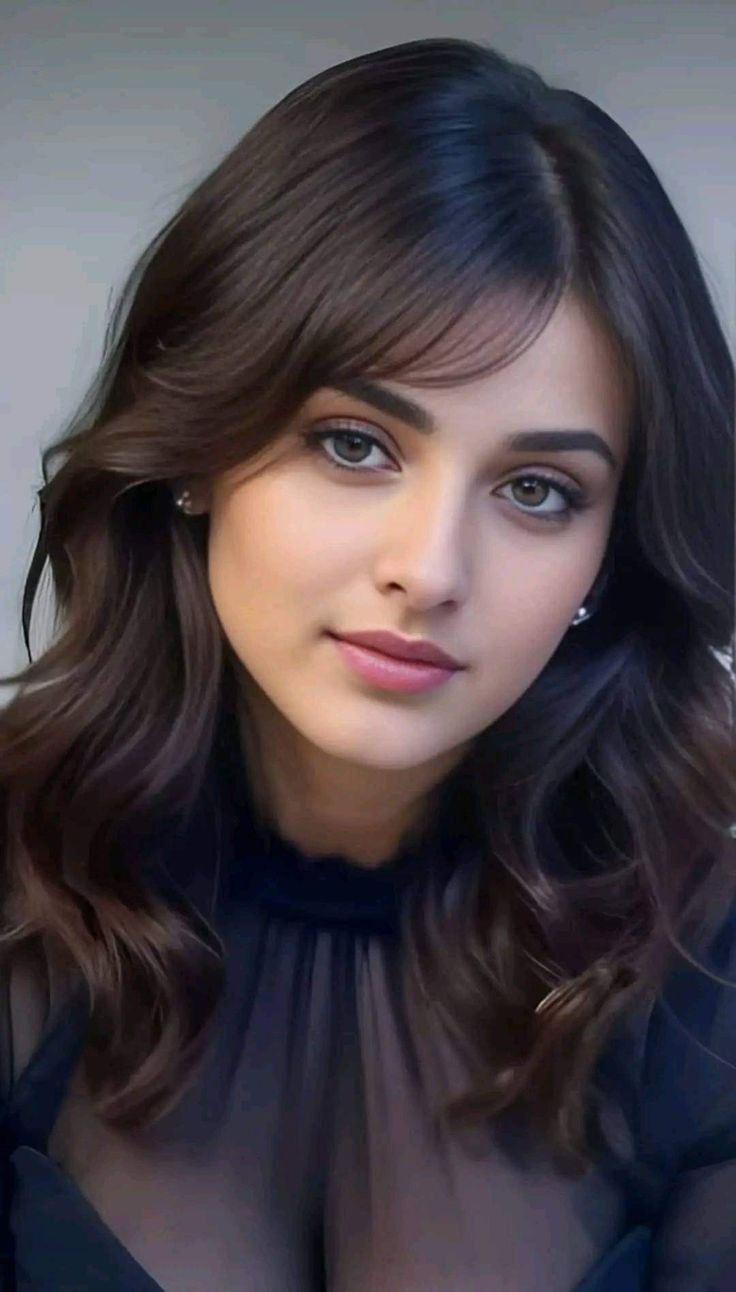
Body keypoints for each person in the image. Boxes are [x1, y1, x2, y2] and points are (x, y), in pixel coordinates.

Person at [0, 35, 734, 1292]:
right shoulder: (21, 872)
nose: (429, 566)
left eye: (539, 489)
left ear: (610, 555)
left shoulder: (706, 948)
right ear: (197, 449)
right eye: (353, 444)